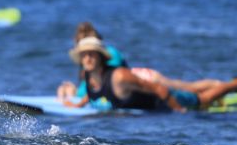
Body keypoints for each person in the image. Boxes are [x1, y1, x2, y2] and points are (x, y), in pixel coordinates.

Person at [66, 36, 237, 112]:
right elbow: (96, 94)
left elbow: (157, 88)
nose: (88, 58)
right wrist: (76, 104)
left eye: (92, 54)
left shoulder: (119, 76)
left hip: (162, 100)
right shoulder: (89, 78)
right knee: (194, 88)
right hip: (151, 103)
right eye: (84, 55)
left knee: (201, 99)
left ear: (101, 57)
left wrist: (178, 111)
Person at [57, 22, 227, 102]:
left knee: (185, 87)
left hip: (146, 78)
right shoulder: (91, 61)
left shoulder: (109, 54)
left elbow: (109, 82)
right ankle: (218, 86)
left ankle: (220, 85)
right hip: (140, 78)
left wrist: (74, 95)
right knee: (183, 86)